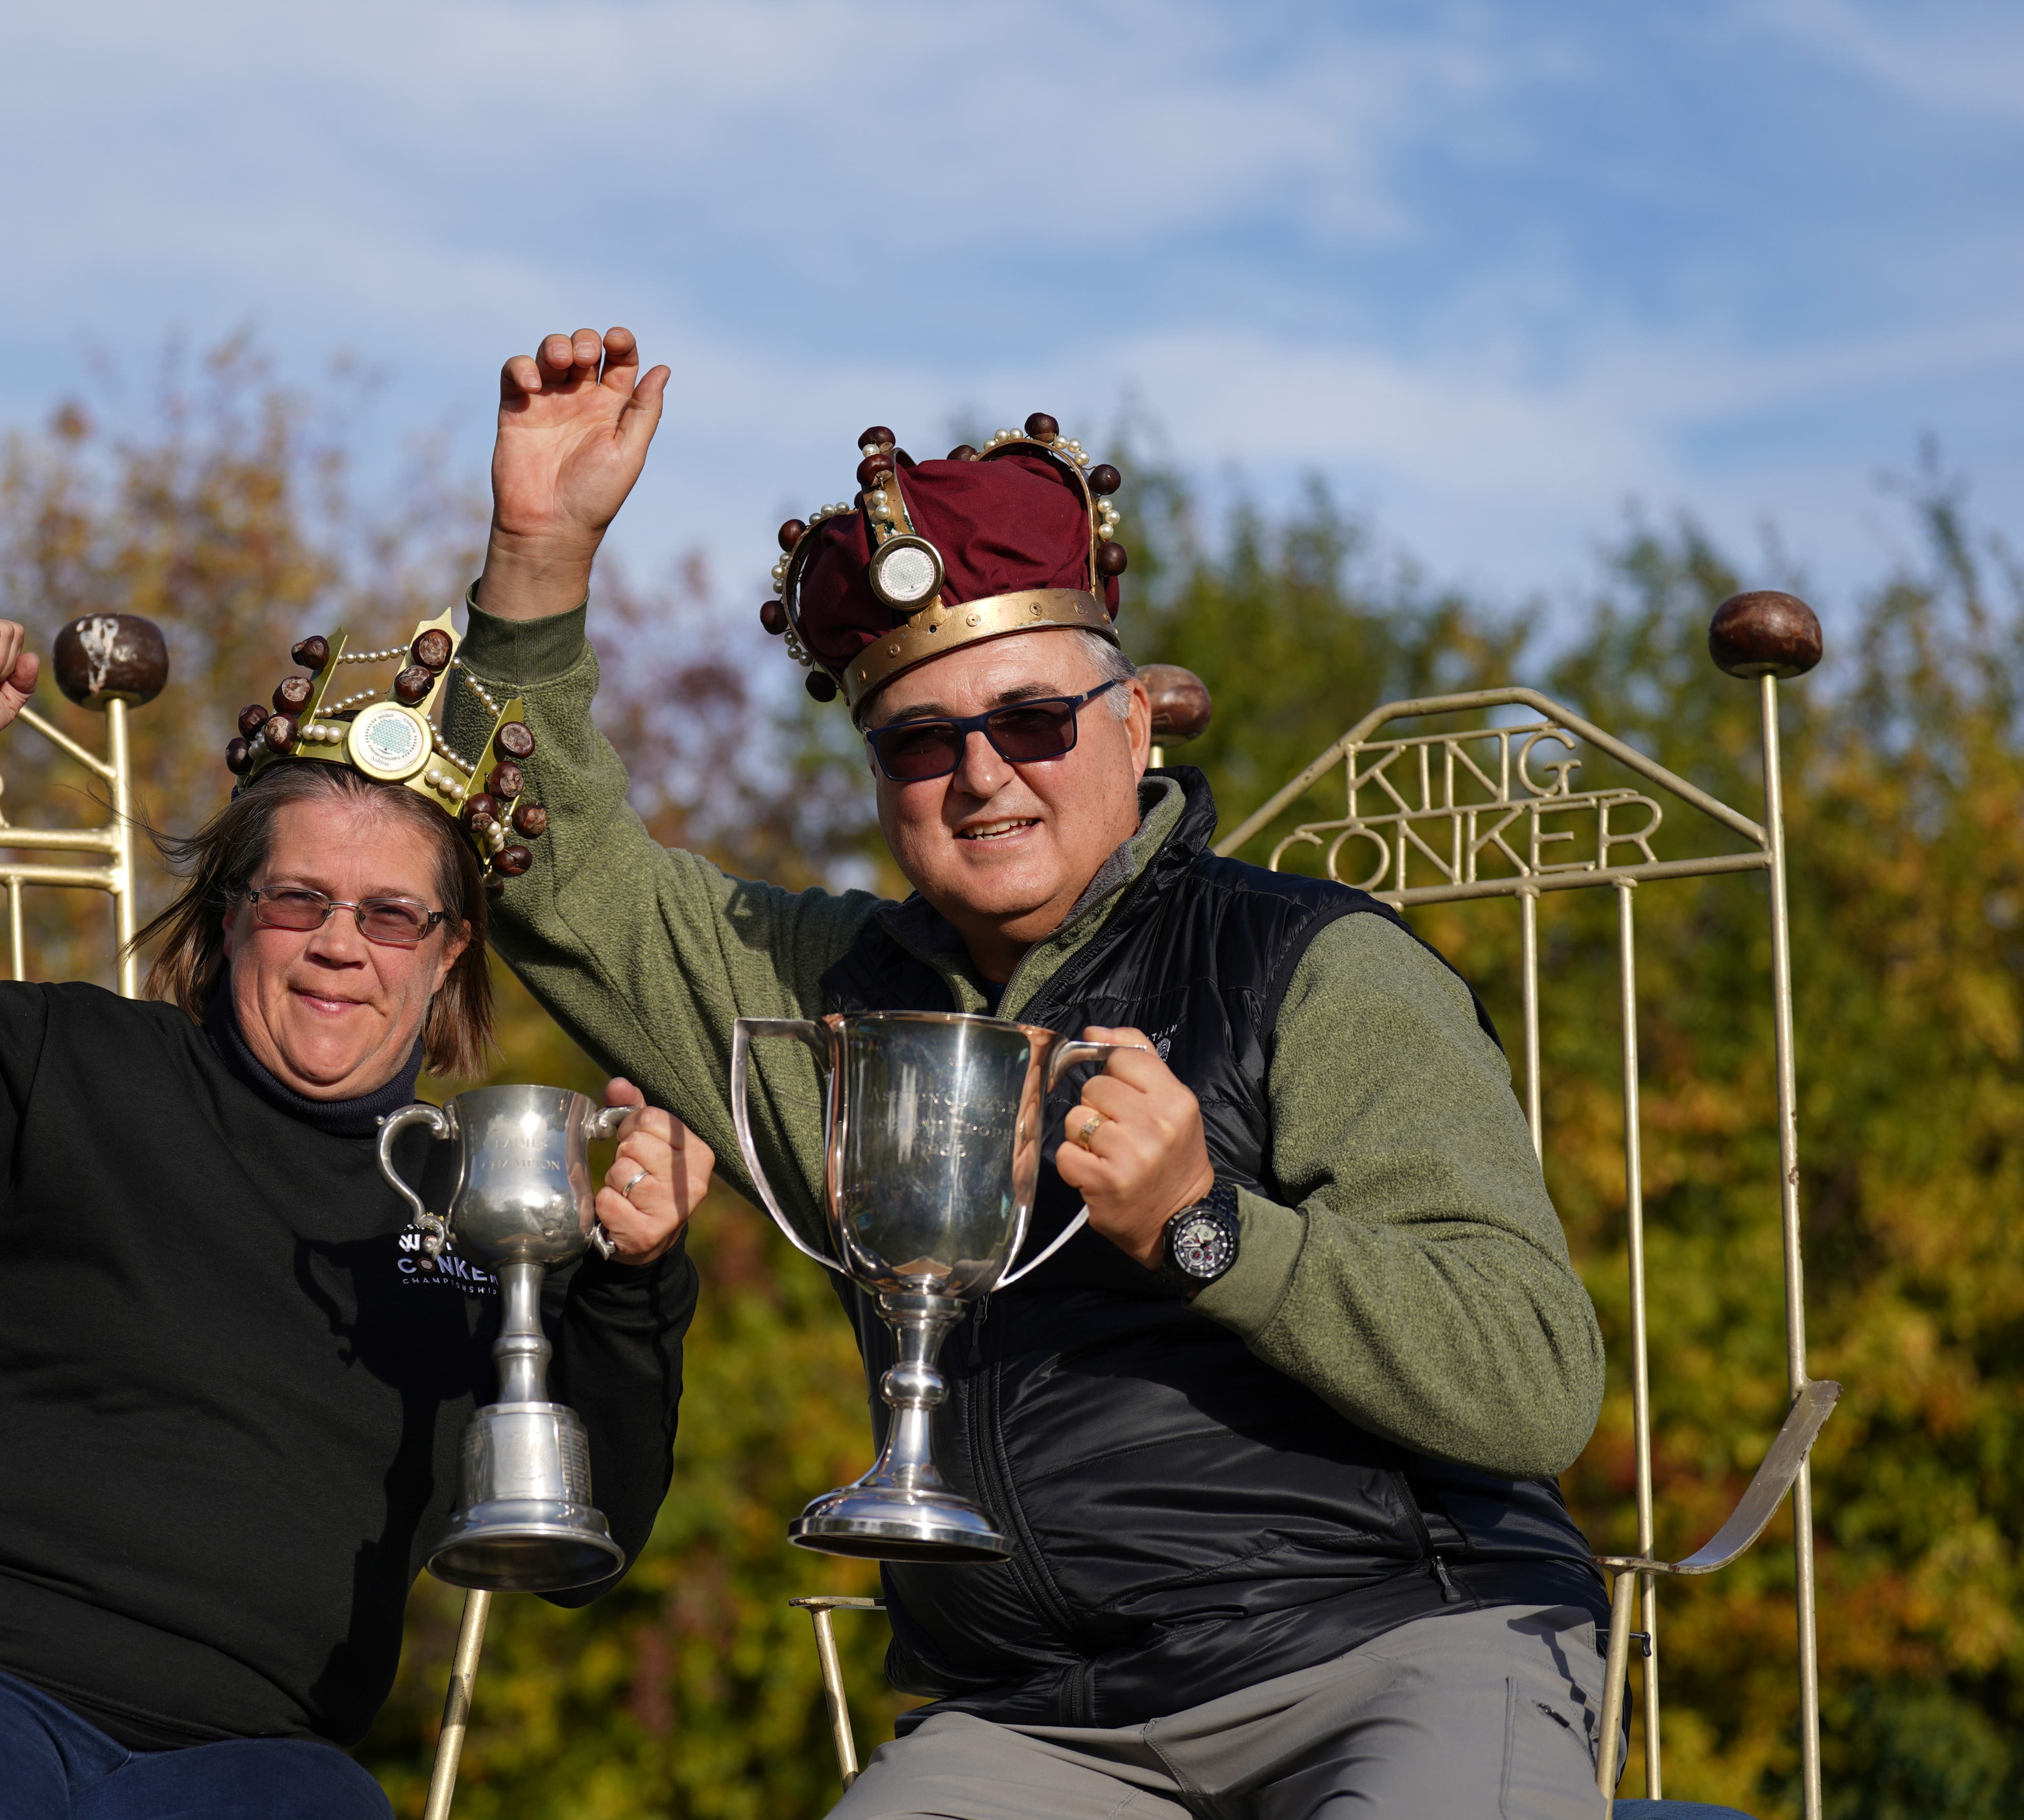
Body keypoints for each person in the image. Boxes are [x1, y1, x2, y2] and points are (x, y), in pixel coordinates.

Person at [441, 327, 1617, 1818]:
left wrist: (1210, 1226)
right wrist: (536, 556)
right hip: (1034, 1724)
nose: (983, 773)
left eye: (1034, 721)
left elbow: (1534, 1388)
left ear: (1135, 726)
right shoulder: (827, 1007)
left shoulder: (1314, 966)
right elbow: (559, 876)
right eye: (921, 741)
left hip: (1395, 1647)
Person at [0, 611, 711, 1819]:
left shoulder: (490, 1203)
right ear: (228, 913)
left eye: (392, 913)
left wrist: (635, 1273)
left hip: (254, 1755)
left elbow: (591, 1543)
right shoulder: (67, 1063)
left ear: (451, 952)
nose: (340, 945)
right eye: (298, 897)